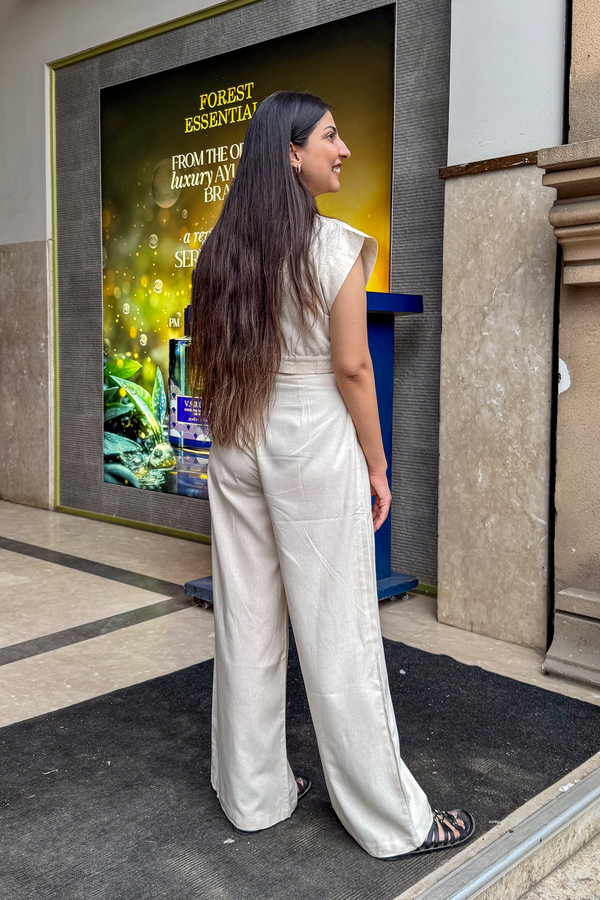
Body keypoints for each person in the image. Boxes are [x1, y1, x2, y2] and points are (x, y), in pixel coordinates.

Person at [189, 90, 474, 859]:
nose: (342, 150)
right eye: (330, 136)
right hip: (312, 442)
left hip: (239, 438)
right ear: (291, 152)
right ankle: (392, 822)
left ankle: (254, 795)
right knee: (339, 630)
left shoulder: (222, 250)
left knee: (246, 623)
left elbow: (205, 359)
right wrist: (379, 468)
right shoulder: (333, 247)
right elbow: (351, 368)